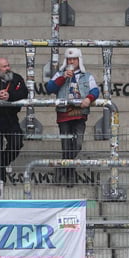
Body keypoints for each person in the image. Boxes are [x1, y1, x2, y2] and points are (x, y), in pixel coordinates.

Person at [43, 47, 99, 186]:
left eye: (74, 59)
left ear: (79, 60)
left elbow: (95, 90)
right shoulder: (60, 74)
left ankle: (64, 168)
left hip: (79, 115)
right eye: (69, 59)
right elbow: (49, 88)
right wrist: (63, 78)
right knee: (66, 146)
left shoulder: (87, 76)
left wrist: (89, 98)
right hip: (64, 114)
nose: (72, 61)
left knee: (78, 144)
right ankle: (69, 175)